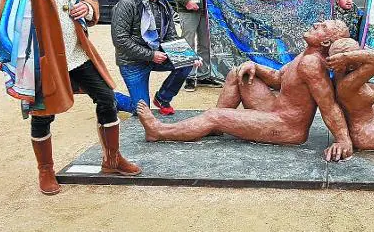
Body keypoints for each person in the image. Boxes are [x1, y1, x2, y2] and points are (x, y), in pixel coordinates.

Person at [0, 0, 140, 196]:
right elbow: (5, 16)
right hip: (42, 57)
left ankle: (112, 159)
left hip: (77, 51)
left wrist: (90, 9)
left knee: (106, 97)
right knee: (42, 113)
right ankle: (46, 170)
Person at [136, 20, 354, 162]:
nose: (317, 24)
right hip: (275, 111)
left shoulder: (313, 64)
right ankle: (214, 127)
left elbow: (328, 105)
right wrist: (255, 66)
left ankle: (160, 131)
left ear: (326, 41)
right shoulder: (305, 56)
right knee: (238, 73)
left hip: (286, 127)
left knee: (214, 115)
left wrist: (343, 140)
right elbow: (279, 79)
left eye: (324, 27)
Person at [111, 0, 202, 115]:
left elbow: (171, 35)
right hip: (132, 62)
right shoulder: (127, 3)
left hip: (155, 56)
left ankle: (162, 98)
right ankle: (109, 97)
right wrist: (151, 55)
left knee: (187, 62)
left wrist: (189, 55)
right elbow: (120, 41)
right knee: (141, 110)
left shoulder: (163, 2)